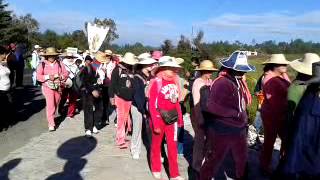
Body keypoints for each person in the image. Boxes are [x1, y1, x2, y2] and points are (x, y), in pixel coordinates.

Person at [200, 51, 255, 180]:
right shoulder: (222, 83)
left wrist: (241, 117)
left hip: (239, 129)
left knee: (242, 159)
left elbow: (241, 102)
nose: (243, 73)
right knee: (213, 161)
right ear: (231, 69)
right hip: (222, 130)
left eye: (244, 71)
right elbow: (211, 107)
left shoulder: (238, 81)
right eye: (240, 71)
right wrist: (234, 113)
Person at [277, 53, 320, 179]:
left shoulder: (302, 87)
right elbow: (291, 114)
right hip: (300, 135)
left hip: (301, 135)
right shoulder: (300, 88)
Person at [148, 56, 184, 180]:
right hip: (158, 118)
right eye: (170, 68)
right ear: (162, 69)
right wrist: (156, 123)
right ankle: (156, 168)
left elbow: (176, 102)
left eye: (174, 68)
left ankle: (174, 174)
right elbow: (152, 105)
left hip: (172, 119)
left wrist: (180, 119)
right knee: (156, 145)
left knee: (173, 146)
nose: (174, 71)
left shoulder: (175, 82)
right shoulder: (156, 83)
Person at [259, 54, 291, 174]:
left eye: (285, 63)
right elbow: (273, 102)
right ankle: (264, 166)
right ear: (275, 66)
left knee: (284, 139)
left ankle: (281, 163)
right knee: (270, 141)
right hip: (273, 115)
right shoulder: (270, 79)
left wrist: (284, 73)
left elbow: (290, 86)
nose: (285, 65)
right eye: (282, 64)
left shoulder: (279, 75)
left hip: (279, 114)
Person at [190, 60, 218, 175]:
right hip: (199, 113)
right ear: (202, 71)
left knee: (209, 141)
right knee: (199, 140)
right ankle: (196, 166)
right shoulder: (198, 82)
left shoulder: (210, 81)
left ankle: (204, 162)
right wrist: (199, 118)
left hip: (208, 115)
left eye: (211, 71)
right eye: (207, 71)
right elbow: (196, 102)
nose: (210, 73)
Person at [131, 53, 158, 159]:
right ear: (143, 66)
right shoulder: (137, 78)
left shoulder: (150, 78)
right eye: (149, 65)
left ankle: (153, 151)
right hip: (138, 107)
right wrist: (143, 111)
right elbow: (137, 96)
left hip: (147, 107)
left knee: (149, 130)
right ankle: (135, 150)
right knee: (137, 129)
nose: (151, 66)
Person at [109, 52, 137, 149]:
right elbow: (112, 84)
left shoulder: (132, 70)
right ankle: (120, 140)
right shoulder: (117, 70)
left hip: (129, 98)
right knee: (121, 119)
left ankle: (123, 136)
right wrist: (111, 97)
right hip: (120, 98)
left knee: (126, 118)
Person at [36, 47, 68, 131]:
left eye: (53, 55)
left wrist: (60, 77)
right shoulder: (42, 64)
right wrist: (47, 77)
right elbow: (38, 76)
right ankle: (51, 123)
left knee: (56, 103)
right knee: (51, 104)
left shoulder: (60, 63)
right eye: (49, 55)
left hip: (58, 87)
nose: (51, 57)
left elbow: (65, 73)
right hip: (47, 87)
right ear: (46, 56)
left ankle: (52, 118)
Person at [78, 55, 103, 136]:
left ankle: (95, 125)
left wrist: (99, 81)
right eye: (87, 60)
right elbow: (84, 81)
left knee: (99, 108)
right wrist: (92, 90)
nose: (89, 62)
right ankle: (88, 128)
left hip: (97, 89)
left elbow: (98, 78)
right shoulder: (86, 68)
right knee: (88, 109)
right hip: (87, 92)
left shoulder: (101, 66)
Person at [92, 51, 112, 128]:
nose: (107, 56)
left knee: (105, 103)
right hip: (99, 86)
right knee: (98, 104)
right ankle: (94, 122)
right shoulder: (97, 64)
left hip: (107, 85)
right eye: (106, 55)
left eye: (109, 55)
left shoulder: (112, 64)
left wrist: (106, 73)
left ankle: (104, 118)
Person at [59, 52, 79, 119]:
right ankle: (60, 109)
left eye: (71, 57)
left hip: (74, 82)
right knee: (63, 97)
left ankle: (70, 113)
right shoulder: (62, 65)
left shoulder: (75, 65)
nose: (70, 59)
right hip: (65, 82)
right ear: (66, 58)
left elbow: (77, 74)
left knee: (73, 99)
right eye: (69, 57)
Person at [0, 46, 12, 130]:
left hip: (8, 89)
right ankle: (3, 124)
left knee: (7, 107)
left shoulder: (3, 63)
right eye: (4, 53)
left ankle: (6, 122)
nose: (5, 55)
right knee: (2, 108)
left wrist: (5, 64)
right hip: (1, 91)